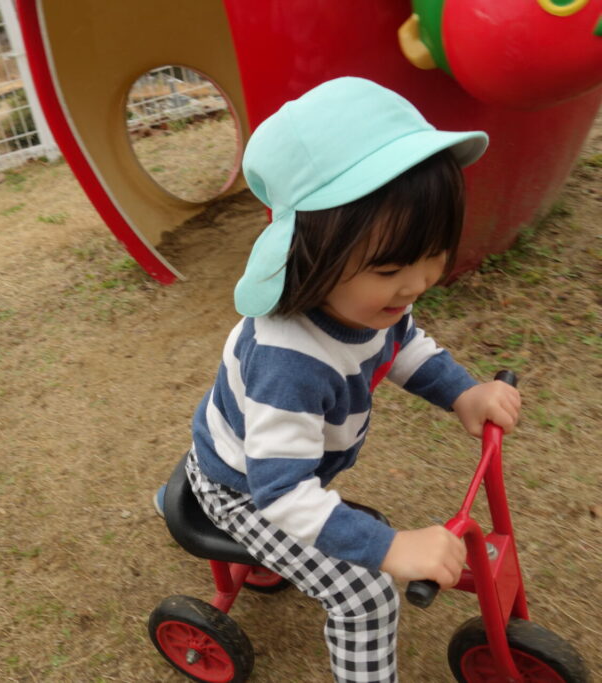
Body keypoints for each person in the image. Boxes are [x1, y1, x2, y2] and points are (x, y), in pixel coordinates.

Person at [164, 77, 521, 681]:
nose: (417, 283)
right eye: (391, 268)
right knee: (365, 596)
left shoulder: (371, 305)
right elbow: (283, 495)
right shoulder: (290, 363)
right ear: (311, 252)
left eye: (434, 253)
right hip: (246, 491)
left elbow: (402, 344)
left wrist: (463, 391)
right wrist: (391, 549)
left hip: (282, 471)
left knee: (367, 537)